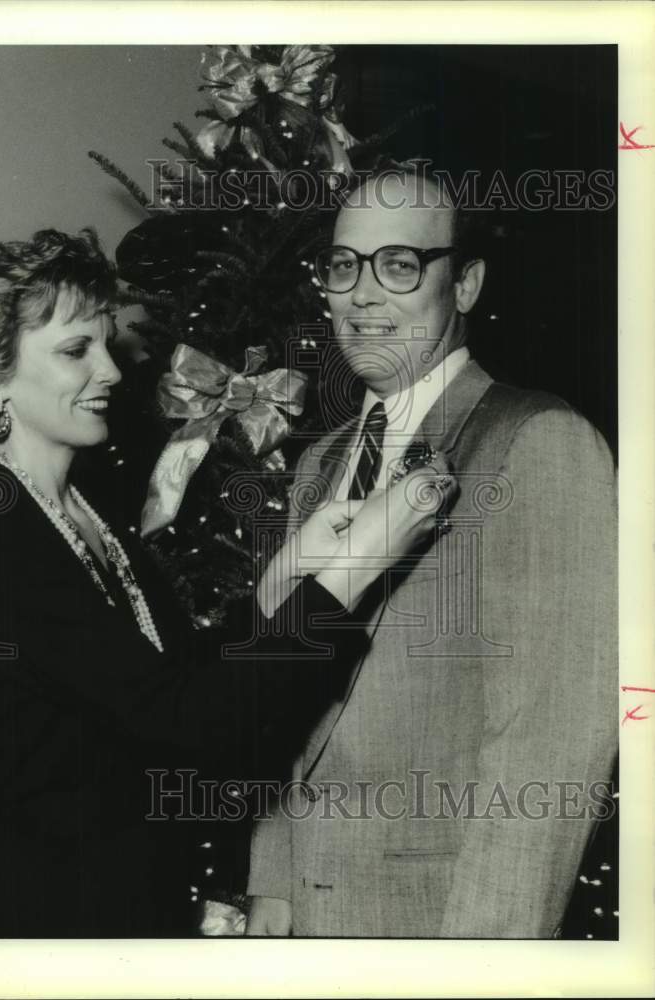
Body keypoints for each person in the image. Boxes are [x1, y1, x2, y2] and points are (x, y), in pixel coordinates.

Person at [0, 227, 452, 938]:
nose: (111, 371)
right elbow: (197, 729)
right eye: (76, 349)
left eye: (106, 343)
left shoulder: (77, 512)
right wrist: (350, 571)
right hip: (60, 920)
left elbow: (173, 682)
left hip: (121, 902)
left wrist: (283, 578)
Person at [246, 163, 617, 938]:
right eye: (343, 265)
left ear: (467, 284)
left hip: (436, 926)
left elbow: (547, 751)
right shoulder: (320, 467)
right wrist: (271, 885)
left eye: (399, 263)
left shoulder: (538, 443)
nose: (361, 294)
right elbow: (287, 705)